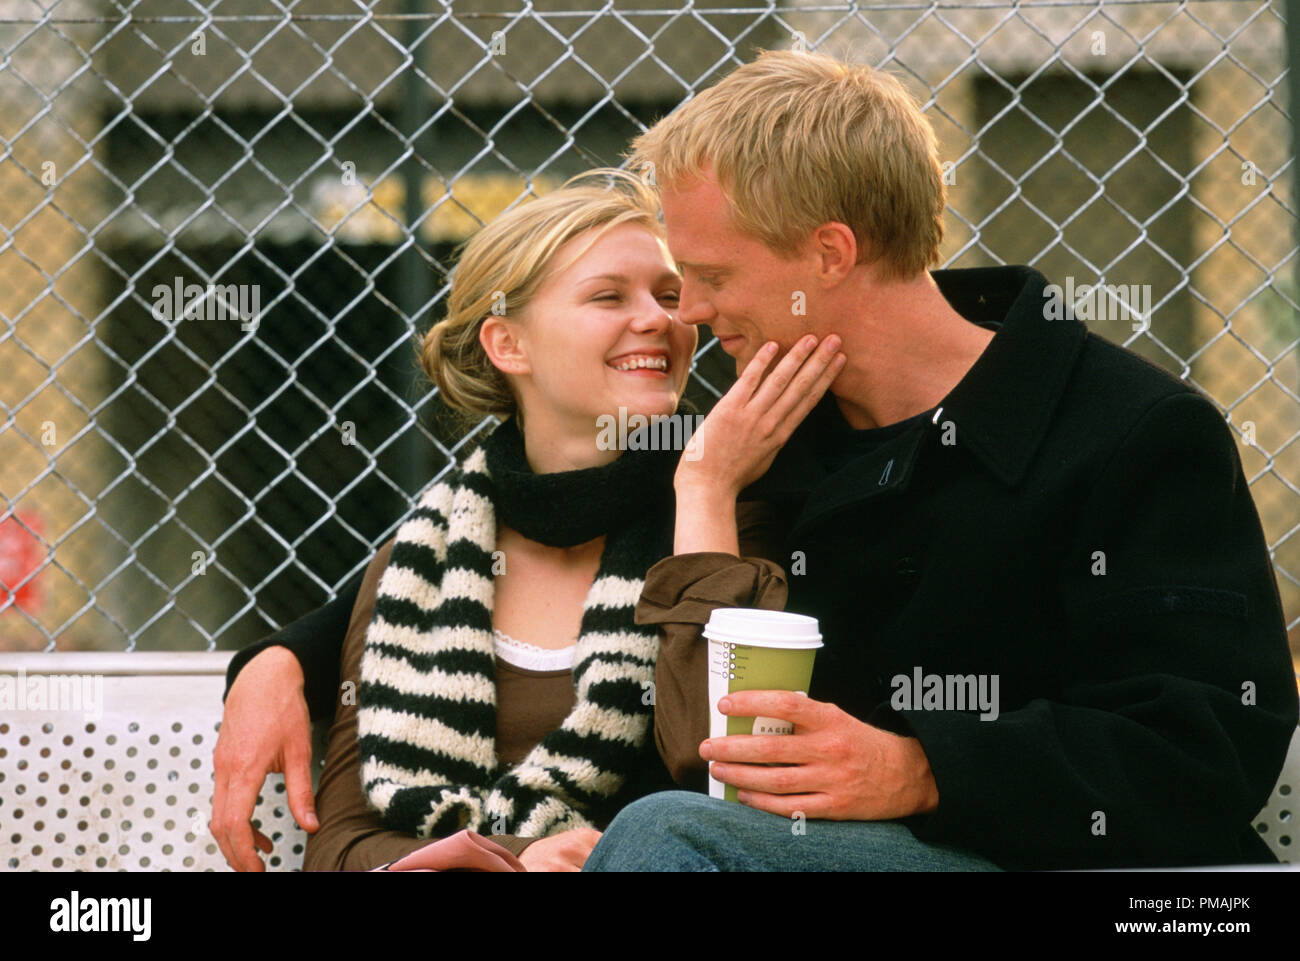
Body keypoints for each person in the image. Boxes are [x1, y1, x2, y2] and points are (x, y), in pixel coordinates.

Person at [580, 48, 1299, 871]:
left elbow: (1206, 749)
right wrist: (705, 487)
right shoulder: (755, 441)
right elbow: (709, 753)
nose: (695, 314)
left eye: (712, 275)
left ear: (830, 253)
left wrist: (923, 768)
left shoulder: (1134, 431)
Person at [210, 167, 843, 871]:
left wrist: (702, 489)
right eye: (608, 295)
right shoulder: (421, 560)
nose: (662, 319)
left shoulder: (733, 523)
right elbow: (340, 846)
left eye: (669, 294)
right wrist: (512, 857)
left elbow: (718, 794)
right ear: (508, 345)